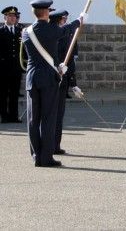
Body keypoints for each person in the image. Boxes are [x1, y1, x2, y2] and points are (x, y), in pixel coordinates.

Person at [21, 0, 83, 167]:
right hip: (48, 78)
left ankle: (36, 156)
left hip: (32, 78)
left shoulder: (26, 31)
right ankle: (46, 157)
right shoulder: (51, 29)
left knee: (33, 119)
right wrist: (79, 20)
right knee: (48, 118)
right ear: (47, 12)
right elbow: (67, 30)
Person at [49, 9, 82, 155]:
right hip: (54, 79)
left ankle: (54, 145)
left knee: (55, 115)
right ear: (59, 21)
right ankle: (51, 145)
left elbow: (71, 62)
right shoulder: (56, 34)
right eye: (64, 19)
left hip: (58, 79)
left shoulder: (68, 35)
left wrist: (73, 83)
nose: (65, 21)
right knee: (53, 115)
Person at [0, 6, 23, 123]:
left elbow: (23, 50)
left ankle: (14, 116)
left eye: (14, 16)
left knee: (14, 93)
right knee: (3, 93)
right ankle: (4, 116)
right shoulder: (1, 31)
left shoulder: (20, 31)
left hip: (16, 68)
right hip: (3, 68)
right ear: (5, 17)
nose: (13, 18)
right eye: (10, 16)